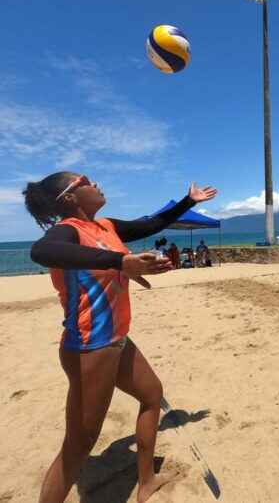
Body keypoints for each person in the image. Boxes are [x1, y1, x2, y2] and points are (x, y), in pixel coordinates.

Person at [23, 172, 216, 503]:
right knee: (78, 446)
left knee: (152, 394)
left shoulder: (107, 227)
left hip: (118, 340)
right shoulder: (67, 231)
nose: (96, 182)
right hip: (89, 347)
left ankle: (146, 482)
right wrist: (120, 262)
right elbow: (42, 252)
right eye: (84, 179)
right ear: (69, 198)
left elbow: (151, 224)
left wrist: (187, 202)